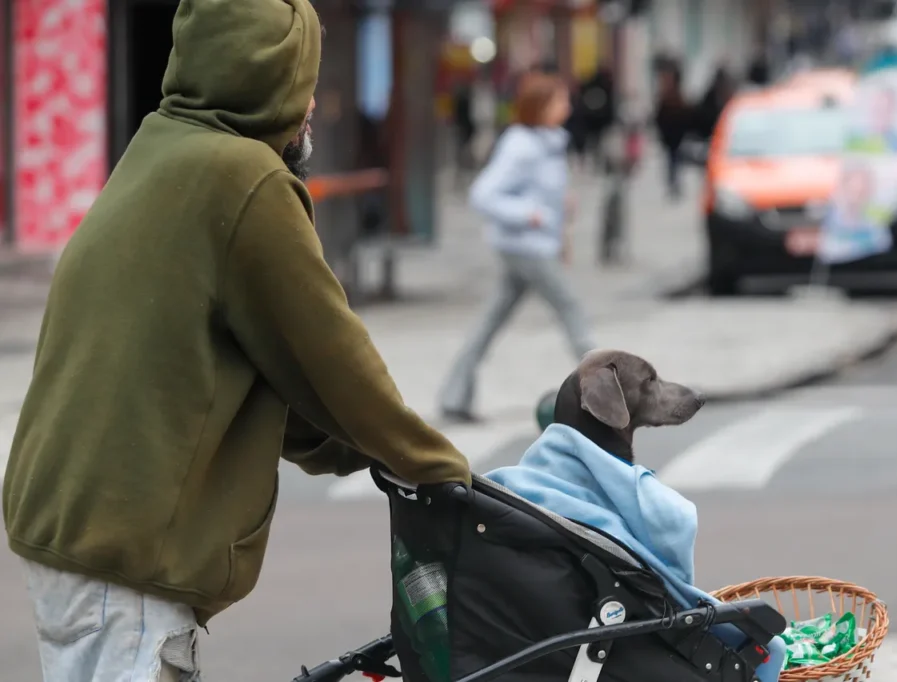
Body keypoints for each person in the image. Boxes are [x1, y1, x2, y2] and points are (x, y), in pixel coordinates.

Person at [2, 1, 470, 680]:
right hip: (126, 549)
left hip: (69, 523)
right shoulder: (247, 181)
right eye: (303, 82)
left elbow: (263, 371)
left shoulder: (161, 145)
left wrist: (361, 455)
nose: (312, 105)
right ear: (269, 80)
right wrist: (439, 468)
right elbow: (332, 360)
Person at [439, 73, 596, 423]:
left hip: (534, 245)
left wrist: (558, 212)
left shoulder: (547, 142)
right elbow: (484, 193)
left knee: (491, 319)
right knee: (571, 308)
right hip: (526, 247)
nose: (567, 107)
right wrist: (531, 215)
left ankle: (454, 393)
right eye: (560, 101)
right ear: (540, 106)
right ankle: (606, 390)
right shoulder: (523, 145)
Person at [653, 66, 694, 200]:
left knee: (674, 161)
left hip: (675, 136)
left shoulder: (674, 97)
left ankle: (674, 184)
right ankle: (673, 184)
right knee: (673, 161)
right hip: (671, 136)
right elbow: (660, 117)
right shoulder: (669, 97)